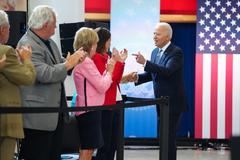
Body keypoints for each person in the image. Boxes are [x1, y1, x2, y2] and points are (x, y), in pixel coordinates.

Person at [17, 5, 86, 160]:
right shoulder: (27, 44)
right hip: (38, 117)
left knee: (53, 155)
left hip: (55, 114)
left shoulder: (49, 42)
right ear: (45, 24)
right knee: (38, 154)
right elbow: (44, 74)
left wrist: (72, 61)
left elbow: (58, 64)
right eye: (54, 24)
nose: (56, 27)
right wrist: (68, 64)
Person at [131, 22, 187, 160]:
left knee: (168, 139)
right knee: (163, 138)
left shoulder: (176, 52)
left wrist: (145, 63)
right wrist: (137, 77)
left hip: (173, 104)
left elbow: (167, 71)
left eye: (157, 34)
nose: (154, 37)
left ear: (167, 37)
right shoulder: (155, 51)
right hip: (161, 103)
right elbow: (154, 74)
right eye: (153, 33)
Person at [72, 27, 115, 160]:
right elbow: (102, 86)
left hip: (87, 109)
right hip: (89, 111)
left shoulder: (83, 59)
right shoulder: (85, 61)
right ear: (90, 44)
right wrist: (110, 71)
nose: (97, 46)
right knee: (87, 150)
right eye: (96, 43)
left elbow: (97, 82)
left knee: (87, 149)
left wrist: (106, 72)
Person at [0, 10, 36, 160]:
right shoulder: (6, 51)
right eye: (8, 27)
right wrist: (26, 59)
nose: (9, 31)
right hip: (6, 120)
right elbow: (28, 77)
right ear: (2, 29)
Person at [93, 27, 127, 160]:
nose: (110, 43)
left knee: (114, 143)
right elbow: (111, 80)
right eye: (109, 40)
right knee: (105, 144)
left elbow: (116, 79)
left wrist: (120, 61)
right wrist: (119, 62)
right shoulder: (96, 58)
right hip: (106, 104)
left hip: (115, 102)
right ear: (103, 41)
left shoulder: (106, 56)